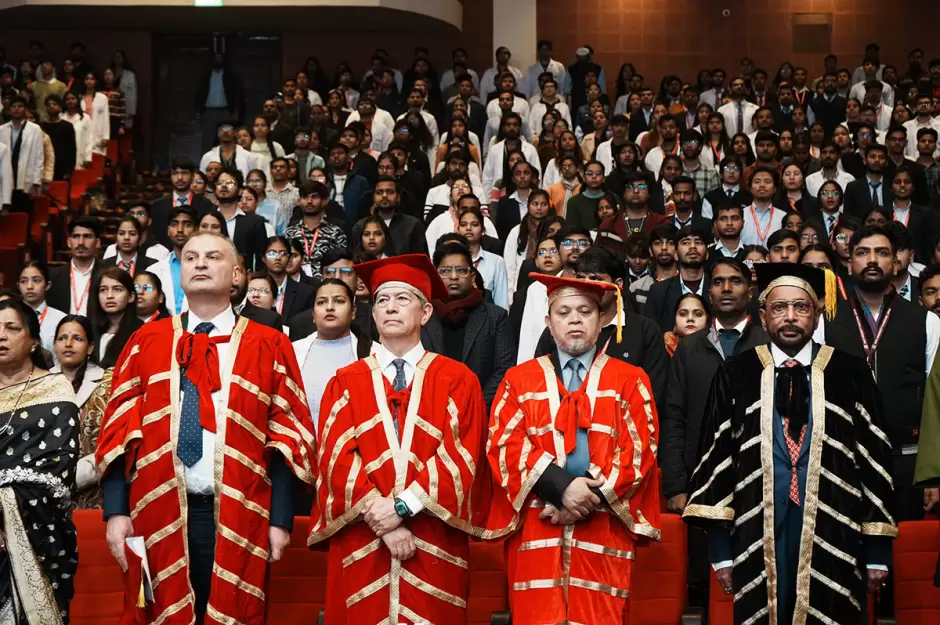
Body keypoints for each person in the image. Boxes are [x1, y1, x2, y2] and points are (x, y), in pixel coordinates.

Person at [96, 231, 314, 624]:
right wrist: (115, 511)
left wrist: (280, 519)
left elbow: (287, 435)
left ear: (236, 275)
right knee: (157, 611)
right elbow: (118, 430)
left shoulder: (270, 344)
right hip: (156, 513)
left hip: (242, 515)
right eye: (191, 257)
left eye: (212, 256)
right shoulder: (146, 340)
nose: (199, 263)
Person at [684, 262, 895, 624]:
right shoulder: (737, 373)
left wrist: (877, 551)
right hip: (757, 527)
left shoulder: (849, 372)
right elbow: (716, 460)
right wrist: (721, 552)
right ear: (763, 317)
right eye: (779, 308)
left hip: (834, 529)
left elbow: (874, 462)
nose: (791, 317)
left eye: (801, 307)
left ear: (816, 314)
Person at [308, 253, 499, 624]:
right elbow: (335, 458)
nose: (390, 308)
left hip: (431, 538)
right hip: (364, 536)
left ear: (425, 312)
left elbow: (462, 455)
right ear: (372, 314)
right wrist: (380, 517)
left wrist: (400, 508)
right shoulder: (345, 381)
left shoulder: (457, 380)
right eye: (382, 300)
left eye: (402, 298)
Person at [487, 272, 660, 625]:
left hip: (603, 524)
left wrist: (583, 499)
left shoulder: (630, 379)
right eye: (563, 312)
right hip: (538, 522)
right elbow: (505, 443)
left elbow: (639, 450)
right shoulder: (519, 380)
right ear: (549, 323)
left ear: (601, 321)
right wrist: (561, 487)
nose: (575, 320)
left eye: (585, 311)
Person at [662, 257, 769, 608]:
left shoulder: (767, 343)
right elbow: (673, 417)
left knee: (757, 571)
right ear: (708, 291)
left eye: (735, 281)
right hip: (699, 480)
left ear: (749, 291)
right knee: (702, 581)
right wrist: (676, 486)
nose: (726, 288)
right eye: (719, 282)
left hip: (760, 476)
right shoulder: (690, 348)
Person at [825, 225, 940, 522]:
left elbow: (935, 399)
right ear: (850, 263)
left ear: (896, 262)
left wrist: (933, 472)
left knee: (902, 556)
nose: (872, 259)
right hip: (842, 460)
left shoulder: (925, 321)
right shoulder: (826, 321)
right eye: (862, 252)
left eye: (882, 252)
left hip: (906, 462)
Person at [0, 298, 79, 621]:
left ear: (33, 340)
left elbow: (56, 476)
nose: (0, 336)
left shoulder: (55, 392)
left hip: (36, 537)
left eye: (11, 328)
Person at [419, 240, 515, 409]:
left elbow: (504, 369)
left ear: (472, 277)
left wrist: (474, 406)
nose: (454, 276)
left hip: (480, 412)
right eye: (445, 271)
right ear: (436, 276)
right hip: (430, 413)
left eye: (461, 270)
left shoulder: (496, 317)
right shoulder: (422, 316)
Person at [292, 277, 374, 437]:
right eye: (321, 302)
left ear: (353, 311)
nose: (329, 307)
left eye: (339, 301)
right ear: (313, 314)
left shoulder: (373, 353)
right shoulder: (293, 352)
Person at [51, 314, 107, 509]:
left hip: (94, 495)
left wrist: (72, 477)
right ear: (54, 345)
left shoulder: (109, 383)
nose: (68, 343)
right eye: (62, 338)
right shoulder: (37, 385)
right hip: (45, 496)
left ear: (90, 347)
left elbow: (112, 444)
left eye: (77, 338)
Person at [645, 225, 709, 332]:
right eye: (685, 242)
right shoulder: (658, 291)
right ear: (675, 254)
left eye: (698, 242)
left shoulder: (718, 287)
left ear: (707, 254)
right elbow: (649, 335)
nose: (692, 247)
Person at [152, 156, 215, 250]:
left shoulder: (206, 205)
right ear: (170, 176)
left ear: (193, 175)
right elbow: (156, 235)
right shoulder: (159, 206)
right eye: (175, 173)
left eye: (184, 173)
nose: (180, 178)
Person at [352, 176, 426, 256]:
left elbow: (421, 261)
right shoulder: (360, 226)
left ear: (398, 197)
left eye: (390, 192)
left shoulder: (412, 225)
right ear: (373, 198)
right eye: (379, 192)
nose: (384, 195)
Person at [457, 202, 509, 310]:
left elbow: (501, 303)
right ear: (458, 230)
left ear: (483, 231)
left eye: (474, 224)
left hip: (488, 319)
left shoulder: (496, 261)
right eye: (463, 225)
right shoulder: (452, 261)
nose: (468, 228)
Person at [214, 168, 269, 270]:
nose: (224, 186)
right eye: (219, 183)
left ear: (240, 191)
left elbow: (261, 259)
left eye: (230, 183)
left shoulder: (255, 221)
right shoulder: (208, 219)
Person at [90, 266, 143, 368]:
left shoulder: (140, 332)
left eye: (117, 289)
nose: (109, 295)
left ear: (131, 297)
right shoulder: (91, 330)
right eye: (103, 290)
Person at [48, 216, 102, 316]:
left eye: (87, 236)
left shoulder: (107, 274)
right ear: (69, 242)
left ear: (98, 243)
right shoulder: (53, 276)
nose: (81, 242)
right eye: (76, 236)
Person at [149, 206, 197, 315]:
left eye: (187, 224)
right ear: (168, 230)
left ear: (196, 230)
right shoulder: (153, 270)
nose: (180, 229)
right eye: (174, 224)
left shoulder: (207, 267)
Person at [195, 51, 243, 152]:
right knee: (207, 140)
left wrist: (235, 111)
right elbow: (199, 93)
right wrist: (198, 111)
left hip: (225, 111)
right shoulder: (206, 75)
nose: (218, 60)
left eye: (220, 58)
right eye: (216, 58)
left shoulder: (230, 76)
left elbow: (236, 93)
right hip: (209, 111)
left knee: (227, 137)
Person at [0, 95, 44, 205]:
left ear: (25, 110)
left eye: (20, 106)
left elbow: (39, 157)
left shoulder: (34, 129)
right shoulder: (2, 129)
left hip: (26, 177)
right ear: (9, 110)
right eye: (13, 106)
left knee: (24, 213)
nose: (16, 109)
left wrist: (35, 182)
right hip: (6, 177)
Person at [18, 260, 66, 359]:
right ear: (18, 286)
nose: (29, 286)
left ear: (47, 285)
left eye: (36, 280)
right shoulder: (11, 316)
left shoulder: (60, 319)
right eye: (24, 281)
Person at [263, 235, 315, 320]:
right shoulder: (253, 289)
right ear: (263, 258)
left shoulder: (306, 292)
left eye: (283, 254)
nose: (278, 258)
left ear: (289, 258)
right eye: (272, 253)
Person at [41, 94, 76, 180]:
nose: (51, 106)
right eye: (49, 105)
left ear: (60, 107)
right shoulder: (42, 126)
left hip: (62, 167)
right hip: (46, 165)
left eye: (54, 104)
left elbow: (71, 150)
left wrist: (68, 171)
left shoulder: (67, 126)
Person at [79, 71, 110, 155]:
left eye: (92, 79)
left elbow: (106, 118)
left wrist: (105, 137)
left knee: (96, 160)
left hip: (97, 133)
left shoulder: (102, 98)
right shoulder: (79, 97)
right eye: (87, 79)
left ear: (96, 81)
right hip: (84, 130)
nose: (89, 81)